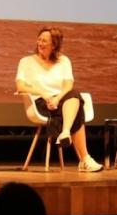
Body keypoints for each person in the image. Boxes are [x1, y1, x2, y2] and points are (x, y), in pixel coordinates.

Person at [15, 26, 102, 172]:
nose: (40, 44)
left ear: (54, 45)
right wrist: (43, 93)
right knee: (77, 108)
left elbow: (68, 85)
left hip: (60, 101)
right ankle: (85, 159)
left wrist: (57, 99)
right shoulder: (26, 61)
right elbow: (20, 86)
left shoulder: (64, 60)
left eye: (45, 41)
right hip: (39, 103)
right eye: (39, 40)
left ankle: (66, 131)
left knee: (74, 95)